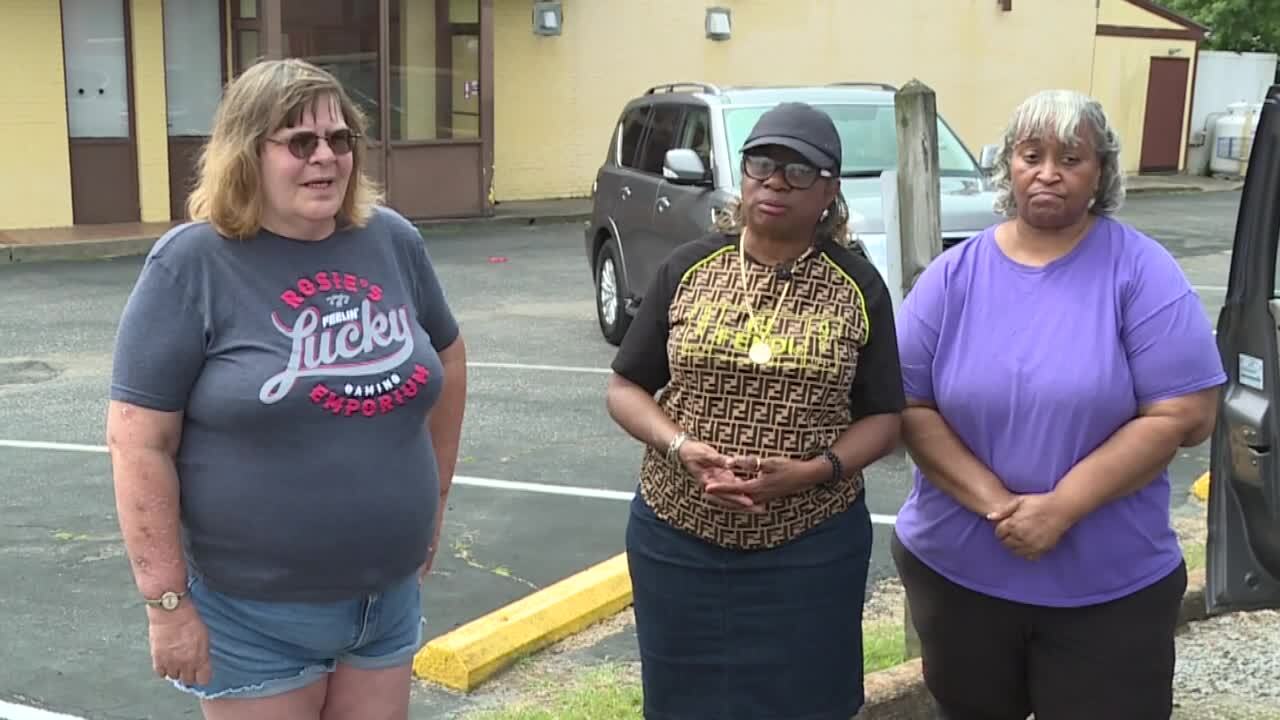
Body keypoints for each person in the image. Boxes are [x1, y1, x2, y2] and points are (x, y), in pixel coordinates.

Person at [106, 58, 467, 720]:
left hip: (384, 604)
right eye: (300, 142)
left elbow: (447, 358)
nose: (325, 158)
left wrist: (435, 499)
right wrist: (166, 602)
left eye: (340, 140)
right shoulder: (191, 265)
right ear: (248, 153)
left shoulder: (392, 241)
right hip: (253, 618)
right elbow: (137, 442)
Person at [892, 89, 1226, 720]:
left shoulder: (1142, 273)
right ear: (1008, 168)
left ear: (1101, 173)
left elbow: (1185, 415)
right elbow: (908, 405)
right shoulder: (951, 276)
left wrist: (1062, 509)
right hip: (959, 577)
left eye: (1071, 158)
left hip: (1109, 589)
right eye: (1031, 154)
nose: (1048, 172)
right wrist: (1000, 506)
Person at [605, 102, 905, 720]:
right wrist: (680, 447)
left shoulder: (856, 286)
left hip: (810, 545)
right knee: (684, 702)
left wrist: (812, 471)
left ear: (829, 191)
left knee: (807, 701)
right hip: (679, 537)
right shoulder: (688, 267)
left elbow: (884, 417)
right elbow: (625, 388)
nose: (774, 182)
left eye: (798, 172)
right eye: (762, 164)